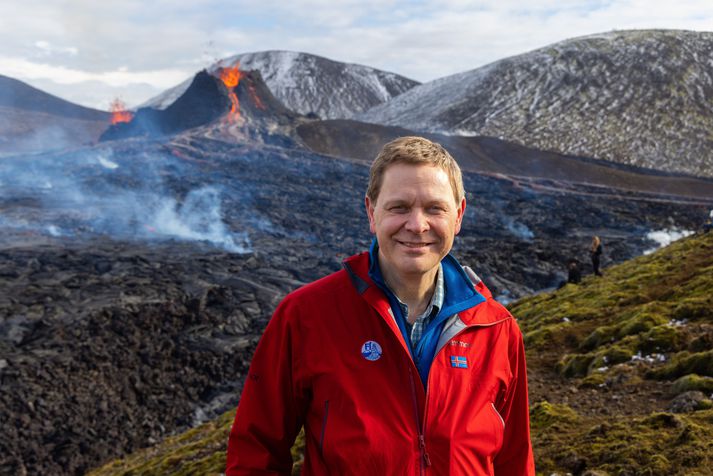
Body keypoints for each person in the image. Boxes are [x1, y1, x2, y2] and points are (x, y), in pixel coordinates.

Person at [225, 136, 535, 475]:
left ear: (458, 215)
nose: (417, 225)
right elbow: (256, 452)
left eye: (435, 208)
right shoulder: (307, 316)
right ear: (372, 212)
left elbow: (514, 461)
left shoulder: (495, 329)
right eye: (399, 207)